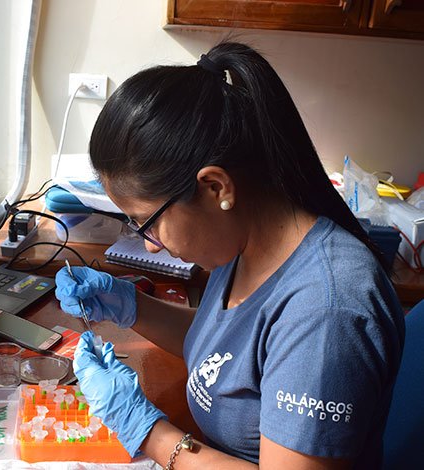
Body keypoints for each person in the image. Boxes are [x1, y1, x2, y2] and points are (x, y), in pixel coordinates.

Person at [55, 41, 405, 470]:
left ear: (216, 187)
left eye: (149, 223)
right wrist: (131, 307)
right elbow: (228, 354)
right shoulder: (241, 243)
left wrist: (148, 432)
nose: (149, 243)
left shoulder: (326, 312)